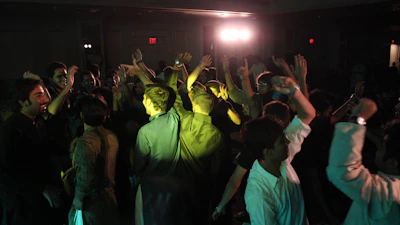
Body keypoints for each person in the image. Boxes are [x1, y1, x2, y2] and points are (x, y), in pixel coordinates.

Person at [243, 76, 316, 225]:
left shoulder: (280, 156)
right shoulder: (259, 194)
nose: (288, 141)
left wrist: (293, 90)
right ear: (268, 152)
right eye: (282, 142)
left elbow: (308, 114)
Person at [168, 54, 224, 225]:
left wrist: (176, 67)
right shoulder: (217, 135)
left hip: (181, 183)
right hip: (203, 185)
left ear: (195, 105)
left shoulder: (185, 119)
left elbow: (172, 93)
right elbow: (217, 167)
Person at [327, 98, 400, 224]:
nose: (378, 149)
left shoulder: (389, 193)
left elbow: (343, 170)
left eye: (381, 147)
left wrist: (357, 119)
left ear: (393, 163)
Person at [0, 78, 60, 225]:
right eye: (38, 95)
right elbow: (6, 173)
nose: (45, 99)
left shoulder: (39, 122)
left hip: (44, 207)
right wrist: (41, 188)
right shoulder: (10, 129)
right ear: (23, 101)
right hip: (24, 209)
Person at [133, 82, 181, 225]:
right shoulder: (174, 119)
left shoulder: (145, 131)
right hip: (172, 185)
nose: (142, 101)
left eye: (144, 98)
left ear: (149, 101)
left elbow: (138, 165)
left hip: (151, 187)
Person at [68, 95, 120, 225]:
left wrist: (78, 200)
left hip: (92, 202)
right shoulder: (111, 136)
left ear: (82, 115)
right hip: (110, 197)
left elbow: (86, 177)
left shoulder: (86, 141)